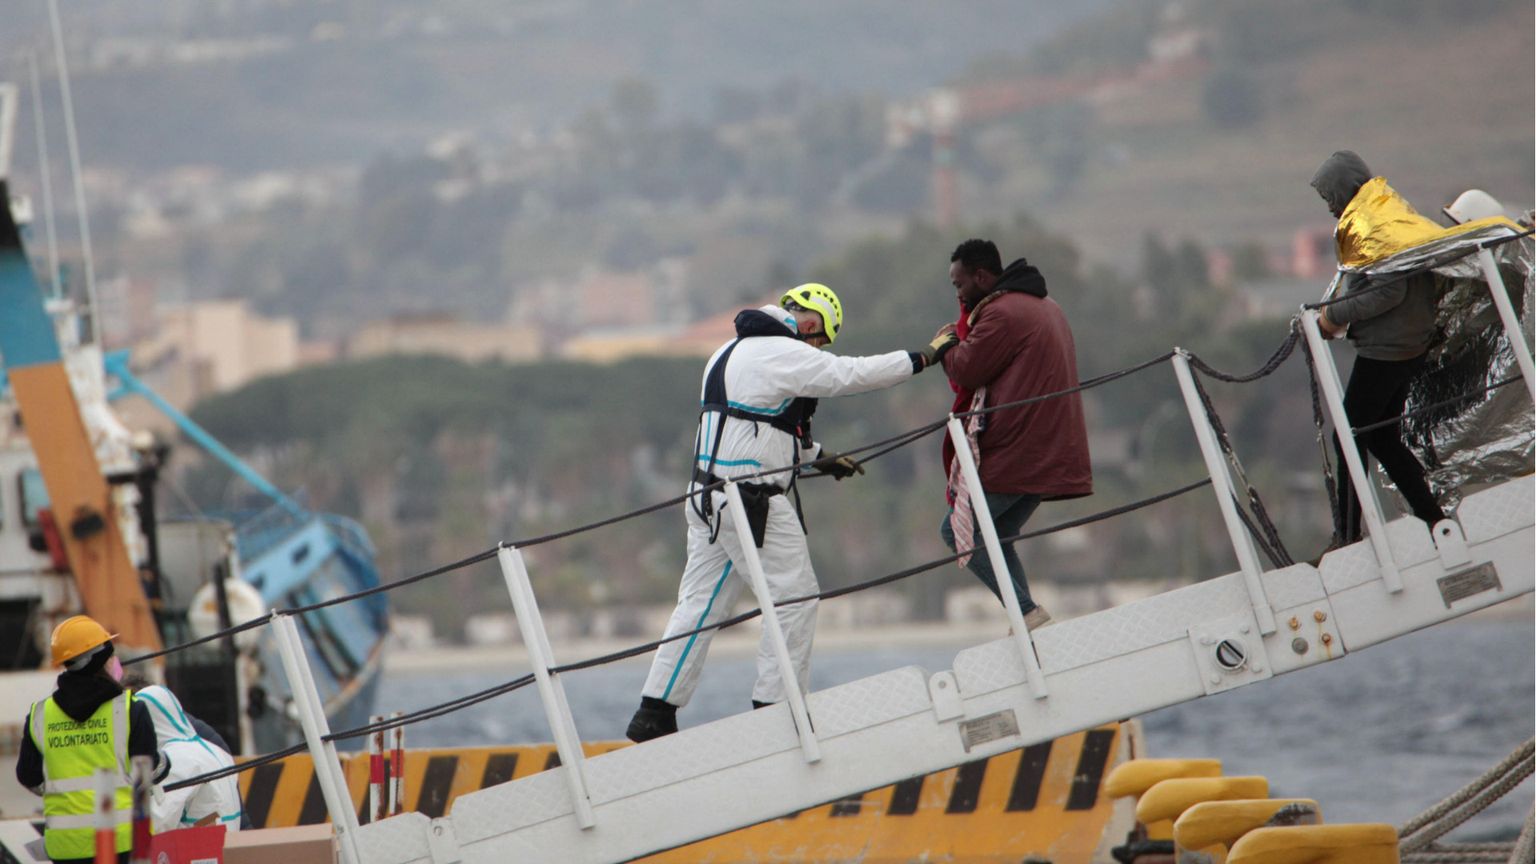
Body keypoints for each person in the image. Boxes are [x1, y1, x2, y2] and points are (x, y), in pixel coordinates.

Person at [626, 283, 956, 742]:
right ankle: (776, 711)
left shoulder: (732, 350)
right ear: (808, 321)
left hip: (707, 500)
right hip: (750, 501)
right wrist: (924, 357)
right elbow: (851, 375)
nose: (819, 348)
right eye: (821, 337)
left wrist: (817, 455)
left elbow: (751, 427)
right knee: (795, 598)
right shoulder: (781, 351)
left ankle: (654, 712)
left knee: (698, 607)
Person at [935, 239, 1092, 630]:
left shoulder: (1002, 313)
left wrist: (946, 347)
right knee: (999, 532)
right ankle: (1027, 619)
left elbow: (968, 370)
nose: (958, 293)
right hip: (1052, 448)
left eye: (959, 284)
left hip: (1022, 451)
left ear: (982, 277)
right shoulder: (1044, 305)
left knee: (957, 531)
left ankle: (1025, 612)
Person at [1311, 151, 1448, 545]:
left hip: (1389, 349)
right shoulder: (1383, 211)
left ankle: (1350, 535)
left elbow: (1388, 292)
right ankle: (1433, 519)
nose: (1330, 207)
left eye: (1330, 197)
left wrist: (1331, 317)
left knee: (1348, 437)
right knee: (1383, 438)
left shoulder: (1372, 222)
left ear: (1344, 188)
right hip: (1406, 344)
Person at [16, 616, 167, 864]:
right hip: (120, 843)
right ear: (101, 658)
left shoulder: (40, 715)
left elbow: (28, 776)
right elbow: (146, 775)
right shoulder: (130, 710)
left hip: (66, 847)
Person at [133, 684, 244, 833]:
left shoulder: (175, 759)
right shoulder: (216, 751)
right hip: (227, 846)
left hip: (196, 852)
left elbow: (157, 824)